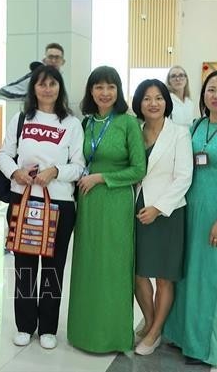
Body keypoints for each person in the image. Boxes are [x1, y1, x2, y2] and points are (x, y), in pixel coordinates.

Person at [163, 70, 217, 367]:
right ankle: (179, 335)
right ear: (203, 95)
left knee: (211, 279)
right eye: (211, 89)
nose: (216, 95)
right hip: (188, 210)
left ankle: (205, 347)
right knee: (186, 274)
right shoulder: (196, 126)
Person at [0, 65, 84, 349]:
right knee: (24, 266)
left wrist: (56, 171)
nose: (47, 88)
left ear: (60, 88)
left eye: (53, 83)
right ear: (33, 88)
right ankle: (24, 325)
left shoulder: (71, 123)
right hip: (24, 200)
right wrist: (15, 173)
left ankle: (48, 327)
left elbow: (79, 166)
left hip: (59, 203)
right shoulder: (21, 118)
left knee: (53, 267)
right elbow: (4, 154)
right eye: (42, 84)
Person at [66, 66, 146, 353]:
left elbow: (139, 169)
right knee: (88, 264)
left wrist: (103, 178)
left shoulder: (128, 123)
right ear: (90, 91)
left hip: (116, 201)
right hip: (88, 202)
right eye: (98, 87)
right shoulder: (85, 124)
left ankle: (112, 335)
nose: (104, 92)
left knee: (113, 266)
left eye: (110, 87)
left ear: (119, 91)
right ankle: (83, 332)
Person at [130, 79, 193, 356]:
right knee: (138, 272)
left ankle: (155, 332)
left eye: (158, 97)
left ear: (166, 102)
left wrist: (158, 208)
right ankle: (150, 318)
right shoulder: (134, 130)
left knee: (164, 277)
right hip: (135, 208)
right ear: (138, 103)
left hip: (167, 212)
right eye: (146, 98)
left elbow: (184, 177)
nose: (153, 103)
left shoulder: (179, 133)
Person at [0, 43, 66, 100]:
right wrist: (33, 95)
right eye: (50, 57)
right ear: (44, 60)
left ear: (63, 62)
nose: (53, 61)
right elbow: (2, 92)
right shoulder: (35, 76)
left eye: (57, 57)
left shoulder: (60, 77)